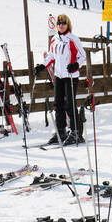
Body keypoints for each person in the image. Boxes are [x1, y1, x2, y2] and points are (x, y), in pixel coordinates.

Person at [42, 13, 86, 145]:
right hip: (59, 75)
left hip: (70, 76)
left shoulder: (72, 39)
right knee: (58, 104)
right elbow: (51, 56)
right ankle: (61, 131)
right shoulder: (54, 39)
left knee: (70, 105)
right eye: (59, 23)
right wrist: (42, 66)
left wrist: (76, 65)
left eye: (63, 23)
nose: (61, 25)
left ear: (68, 25)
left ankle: (76, 132)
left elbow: (82, 55)